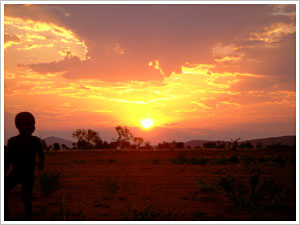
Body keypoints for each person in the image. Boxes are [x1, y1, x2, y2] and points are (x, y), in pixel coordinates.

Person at [5, 112, 46, 220]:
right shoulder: (13, 141)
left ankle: (28, 217)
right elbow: (8, 158)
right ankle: (6, 216)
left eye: (33, 124)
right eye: (28, 124)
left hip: (28, 174)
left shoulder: (35, 141)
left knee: (26, 197)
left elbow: (41, 156)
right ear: (18, 125)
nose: (31, 127)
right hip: (17, 173)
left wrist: (41, 163)